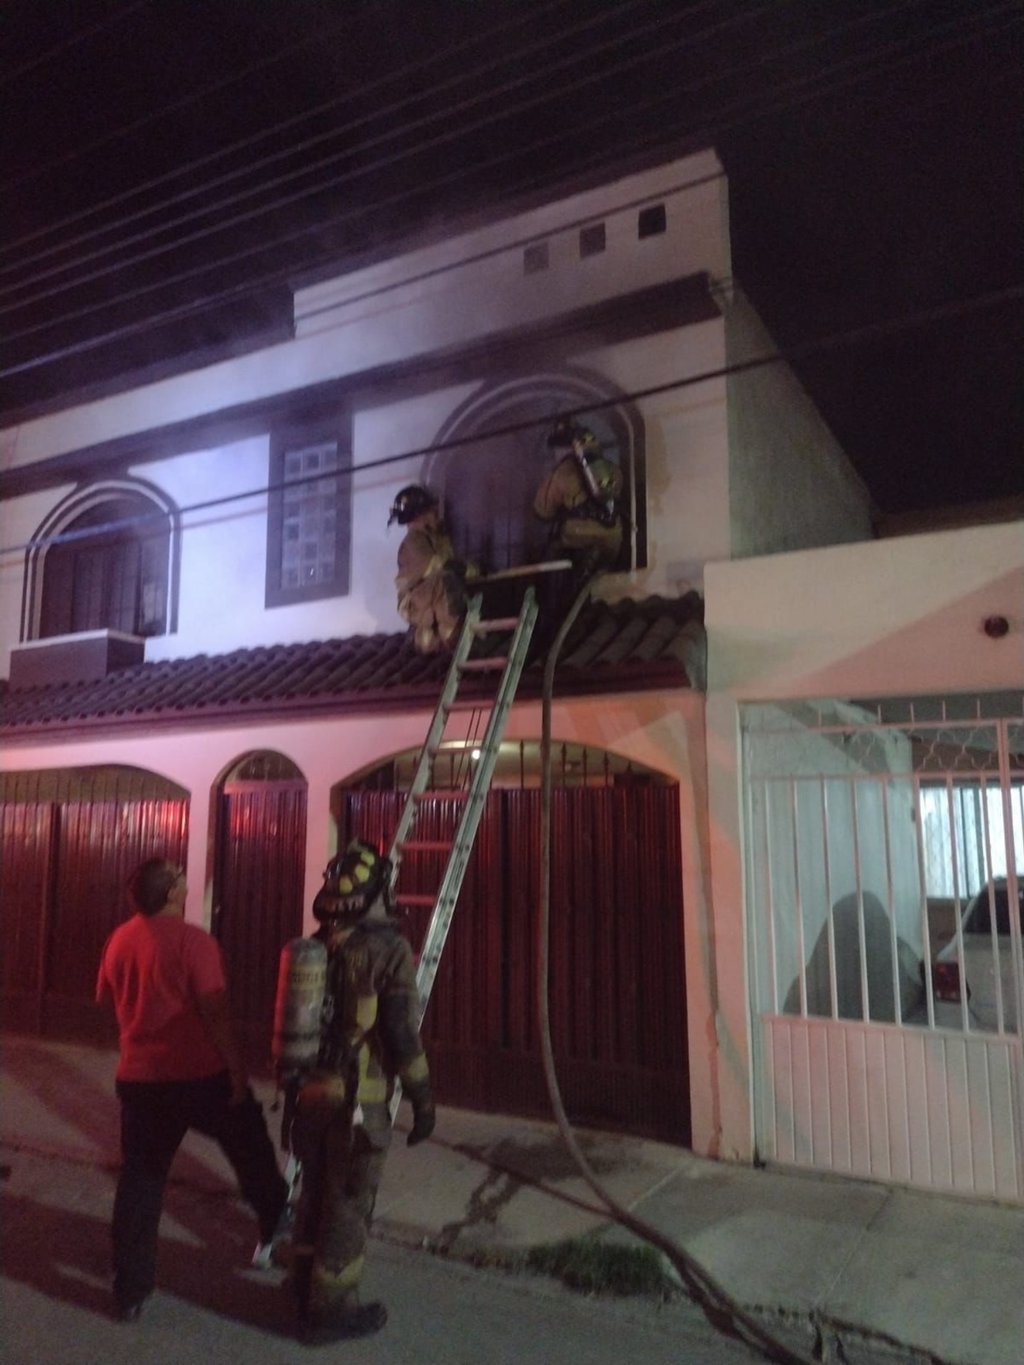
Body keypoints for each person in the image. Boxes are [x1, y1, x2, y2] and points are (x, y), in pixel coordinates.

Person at [95, 856, 289, 1322]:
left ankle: (130, 1291)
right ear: (170, 895)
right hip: (199, 1077)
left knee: (141, 1183)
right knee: (249, 1145)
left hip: (140, 1081)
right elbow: (216, 1015)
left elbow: (107, 998)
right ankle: (276, 1218)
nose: (188, 884)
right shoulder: (194, 943)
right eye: (181, 881)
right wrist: (237, 1073)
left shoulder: (120, 939)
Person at [287, 839, 435, 1344]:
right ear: (375, 894)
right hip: (357, 1102)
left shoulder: (319, 941)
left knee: (315, 1192)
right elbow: (399, 1033)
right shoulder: (387, 950)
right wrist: (423, 1097)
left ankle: (300, 1288)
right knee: (348, 1203)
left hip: (310, 1095)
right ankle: (330, 1311)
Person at [533, 420, 624, 580]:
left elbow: (542, 511)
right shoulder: (613, 470)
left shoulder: (560, 474)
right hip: (613, 547)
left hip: (576, 547)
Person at [389, 483, 471, 653]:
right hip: (415, 602)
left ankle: (448, 631)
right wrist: (470, 569)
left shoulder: (436, 537)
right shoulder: (414, 541)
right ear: (421, 516)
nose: (435, 514)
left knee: (451, 581)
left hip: (430, 602)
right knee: (445, 580)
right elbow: (439, 565)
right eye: (431, 511)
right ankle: (450, 635)